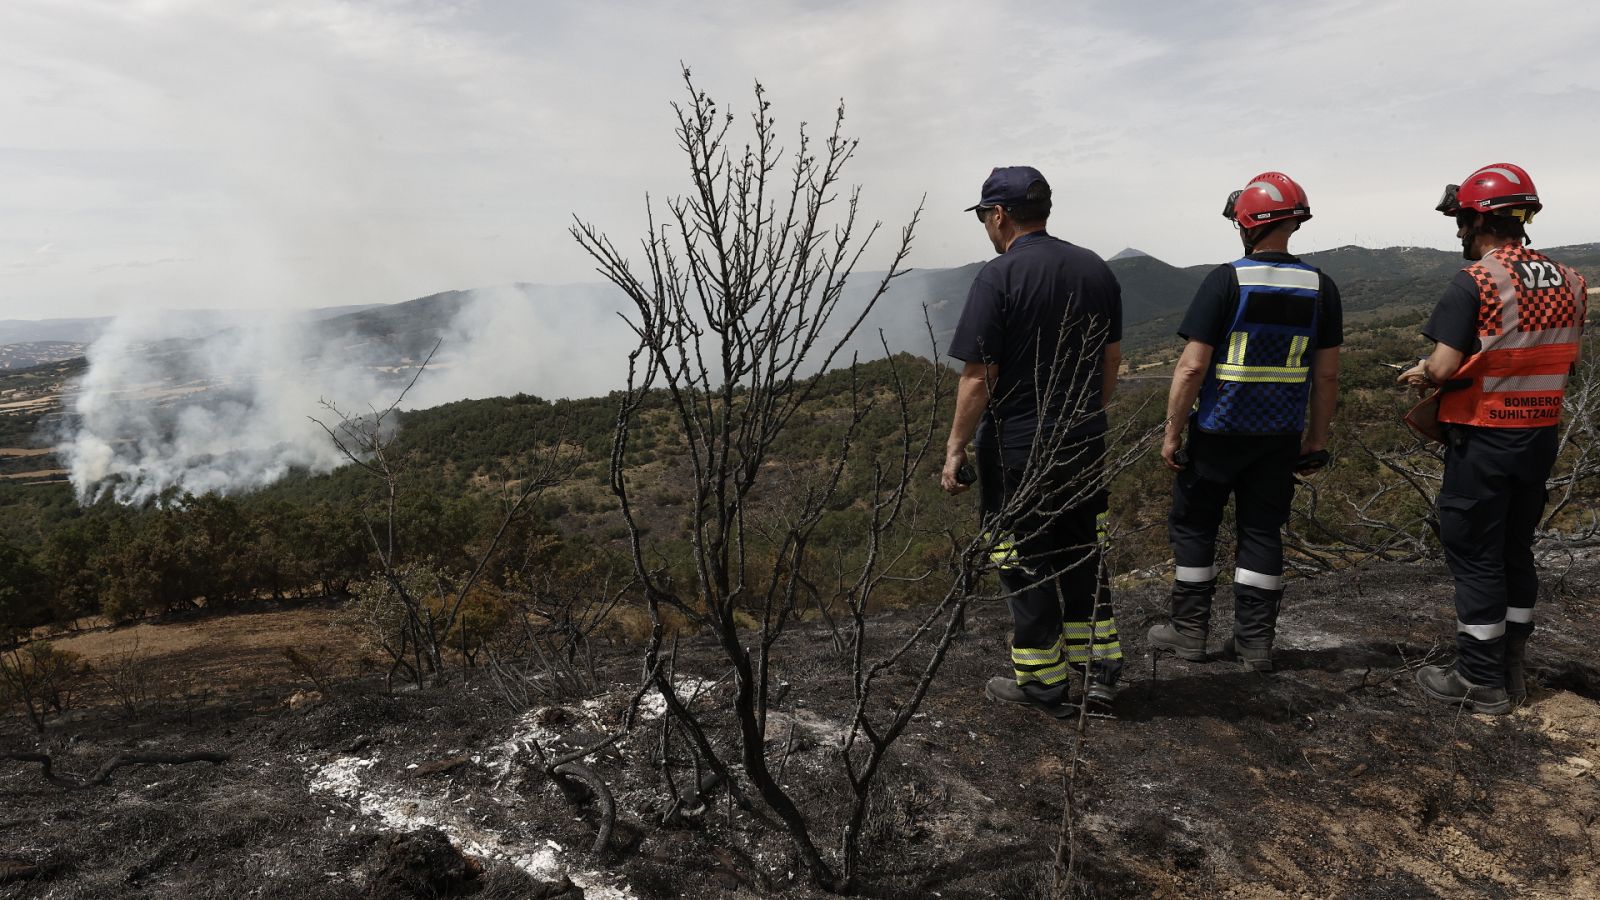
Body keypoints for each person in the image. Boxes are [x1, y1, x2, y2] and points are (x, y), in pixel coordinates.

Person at [1401, 163, 1587, 714]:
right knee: (1514, 549)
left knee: (1477, 552)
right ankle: (1511, 667)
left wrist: (1423, 373)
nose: (1459, 230)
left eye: (1462, 219)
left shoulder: (1477, 281)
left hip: (1484, 437)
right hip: (1539, 436)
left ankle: (1479, 679)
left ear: (1481, 219)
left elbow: (1444, 366)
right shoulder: (1572, 281)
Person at [940, 165, 1124, 718]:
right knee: (1083, 550)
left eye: (983, 216)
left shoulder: (998, 277)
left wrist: (955, 448)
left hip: (1019, 446)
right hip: (1084, 440)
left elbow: (979, 376)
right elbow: (1111, 360)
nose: (985, 226)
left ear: (999, 215)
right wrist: (1087, 414)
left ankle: (1044, 685)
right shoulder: (1095, 268)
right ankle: (1100, 676)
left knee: (1025, 559)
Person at [1147, 172, 1342, 672]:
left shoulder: (1226, 280)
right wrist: (1316, 439)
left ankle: (1190, 632)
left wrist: (1171, 433)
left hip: (1218, 431)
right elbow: (1326, 375)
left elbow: (1191, 367)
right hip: (1279, 436)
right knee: (1261, 531)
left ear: (1248, 224)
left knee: (1196, 525)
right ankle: (1255, 643)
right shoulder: (1321, 287)